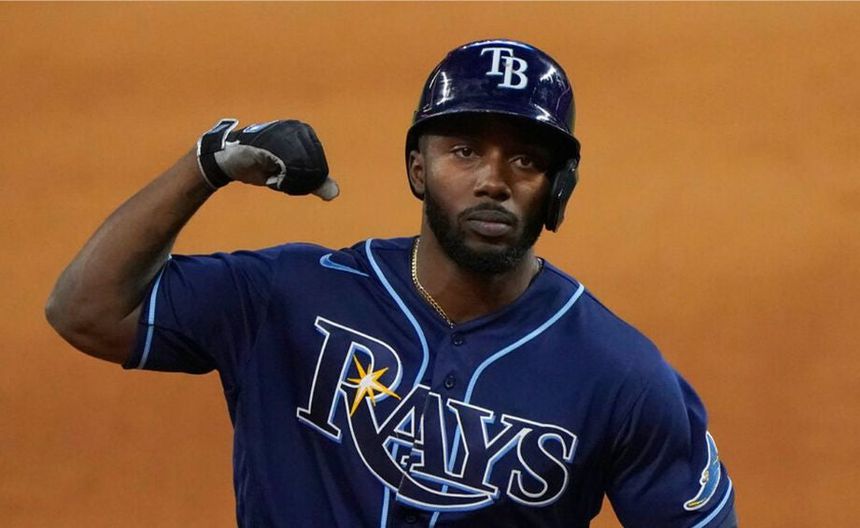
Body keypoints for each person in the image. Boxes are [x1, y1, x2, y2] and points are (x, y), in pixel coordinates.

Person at [46, 39, 737, 527]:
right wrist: (206, 166)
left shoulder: (619, 376)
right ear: (416, 169)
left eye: (526, 160)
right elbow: (84, 310)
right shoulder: (289, 295)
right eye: (463, 150)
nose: (492, 180)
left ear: (558, 190)